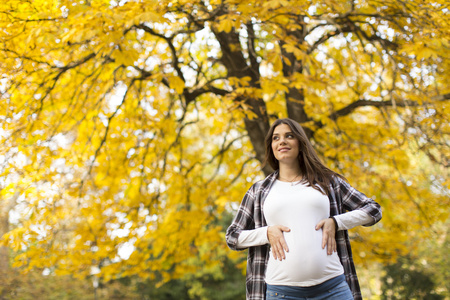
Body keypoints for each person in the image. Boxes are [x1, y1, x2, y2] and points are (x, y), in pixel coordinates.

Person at [226, 118, 382, 300]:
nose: (282, 141)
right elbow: (232, 237)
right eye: (276, 138)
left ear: (300, 142)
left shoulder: (328, 182)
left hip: (333, 289)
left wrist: (337, 222)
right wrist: (266, 233)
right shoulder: (259, 191)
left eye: (289, 136)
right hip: (281, 294)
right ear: (271, 147)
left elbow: (374, 210)